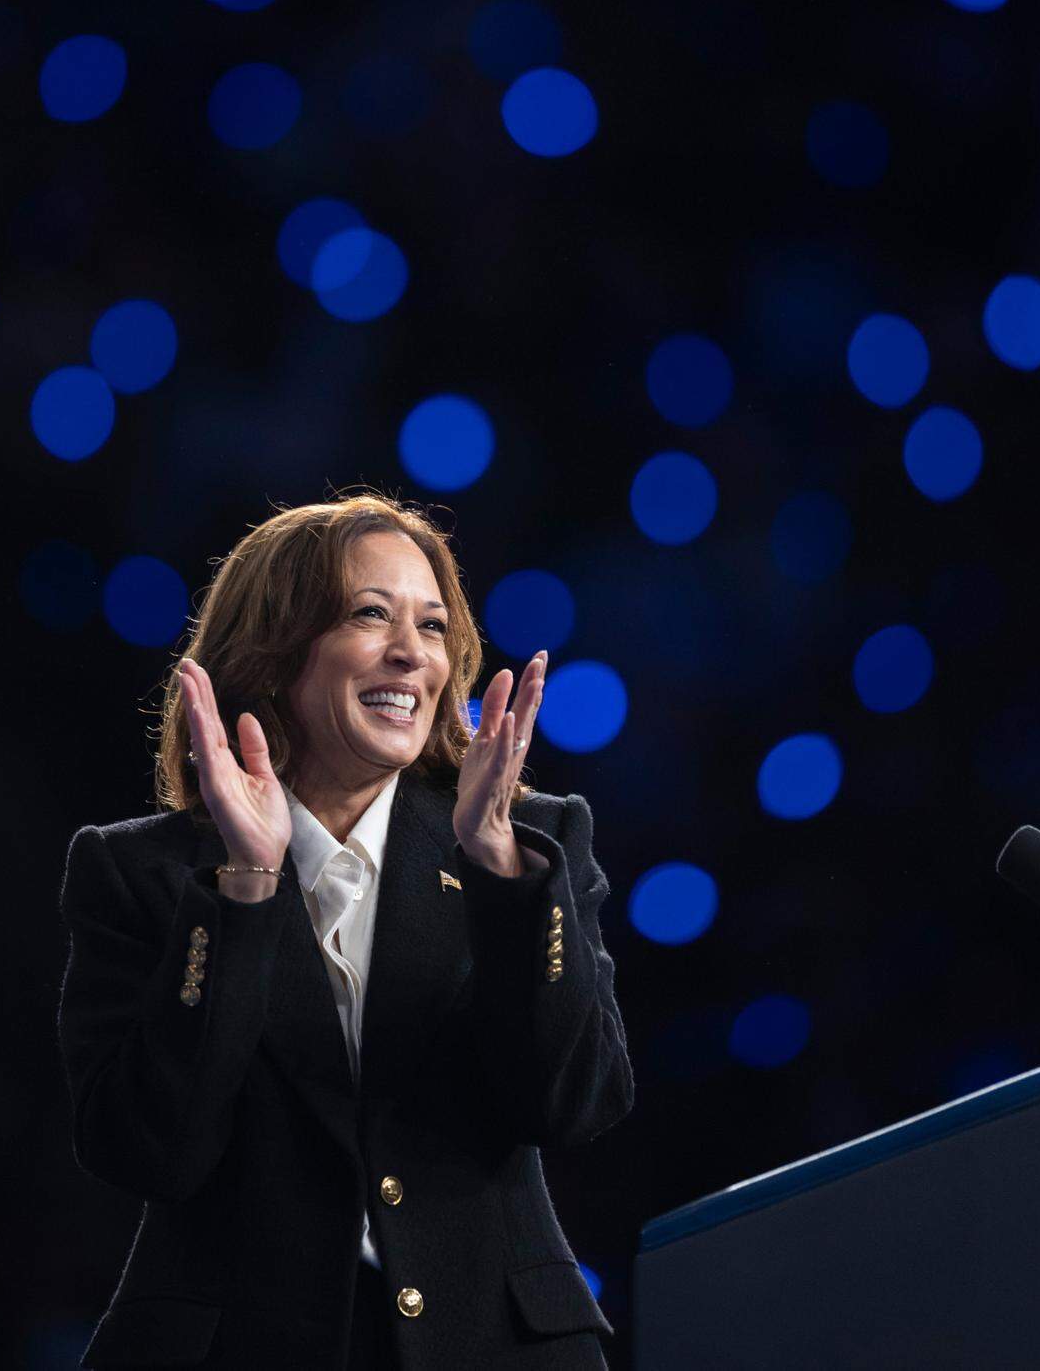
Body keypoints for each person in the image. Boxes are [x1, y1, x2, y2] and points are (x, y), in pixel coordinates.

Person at [57, 491, 634, 1370]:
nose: (414, 653)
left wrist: (505, 883)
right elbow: (149, 1151)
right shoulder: (140, 874)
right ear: (275, 649)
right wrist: (245, 890)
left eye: (434, 627)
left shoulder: (532, 844)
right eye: (371, 614)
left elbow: (575, 1103)